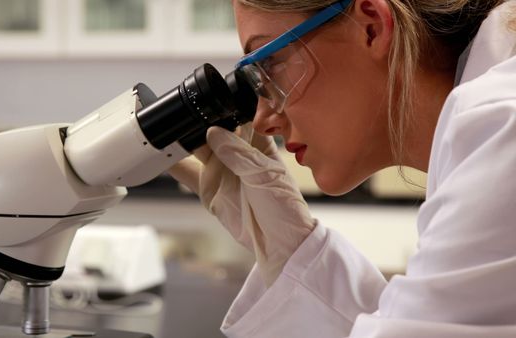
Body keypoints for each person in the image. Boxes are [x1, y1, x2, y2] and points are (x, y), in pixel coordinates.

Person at [169, 0, 516, 336]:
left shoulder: (502, 127)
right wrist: (294, 252)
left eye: (269, 65)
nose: (262, 121)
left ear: (371, 27)